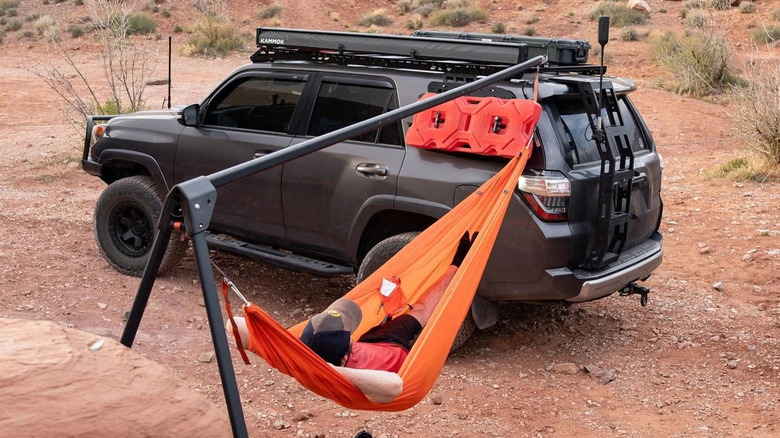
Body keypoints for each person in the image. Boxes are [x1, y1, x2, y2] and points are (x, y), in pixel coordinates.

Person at [228, 232, 476, 403]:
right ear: (345, 356)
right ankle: (456, 267)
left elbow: (234, 325)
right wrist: (330, 372)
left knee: (417, 309)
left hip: (373, 342)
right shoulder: (361, 383)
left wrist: (311, 363)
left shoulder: (304, 358)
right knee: (421, 312)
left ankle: (455, 265)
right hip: (400, 354)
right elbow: (395, 386)